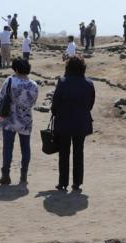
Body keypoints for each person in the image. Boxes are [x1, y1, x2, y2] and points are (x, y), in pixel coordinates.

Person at [52, 56, 96, 191]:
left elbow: (55, 103)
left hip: (64, 122)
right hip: (81, 123)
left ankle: (63, 182)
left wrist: (56, 112)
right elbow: (90, 104)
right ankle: (77, 183)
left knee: (64, 153)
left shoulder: (63, 81)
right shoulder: (89, 83)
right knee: (79, 152)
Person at [0, 57, 39, 185]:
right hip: (26, 120)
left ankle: (5, 175)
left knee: (7, 148)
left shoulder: (10, 81)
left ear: (15, 68)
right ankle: (23, 175)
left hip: (9, 119)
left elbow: (0, 98)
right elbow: (32, 102)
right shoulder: (34, 85)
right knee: (25, 148)